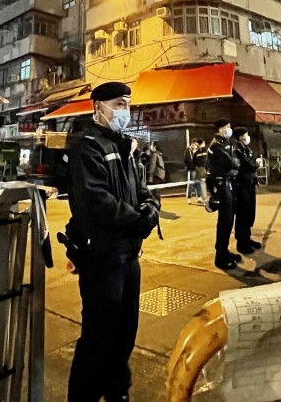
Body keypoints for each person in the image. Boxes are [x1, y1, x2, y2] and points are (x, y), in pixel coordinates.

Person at [64, 81, 160, 402]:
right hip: (102, 256)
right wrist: (139, 219)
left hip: (129, 255)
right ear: (98, 108)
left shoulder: (127, 147)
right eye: (119, 104)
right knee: (99, 337)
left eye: (128, 105)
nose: (125, 111)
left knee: (124, 335)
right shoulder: (86, 146)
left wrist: (151, 208)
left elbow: (141, 190)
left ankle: (117, 392)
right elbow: (96, 201)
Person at [207, 119, 241, 270]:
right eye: (227, 127)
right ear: (219, 129)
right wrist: (234, 164)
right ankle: (220, 256)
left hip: (228, 183)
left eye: (229, 126)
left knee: (229, 220)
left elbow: (235, 162)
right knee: (224, 221)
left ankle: (225, 251)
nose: (229, 129)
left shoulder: (227, 143)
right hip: (221, 185)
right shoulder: (216, 145)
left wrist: (235, 164)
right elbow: (231, 163)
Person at [231, 127, 261, 255]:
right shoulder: (237, 151)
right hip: (241, 185)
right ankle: (241, 242)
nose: (247, 137)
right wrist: (256, 164)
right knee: (242, 214)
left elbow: (250, 162)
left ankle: (247, 238)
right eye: (245, 135)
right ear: (240, 137)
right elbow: (248, 164)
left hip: (249, 184)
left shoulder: (246, 149)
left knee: (249, 213)